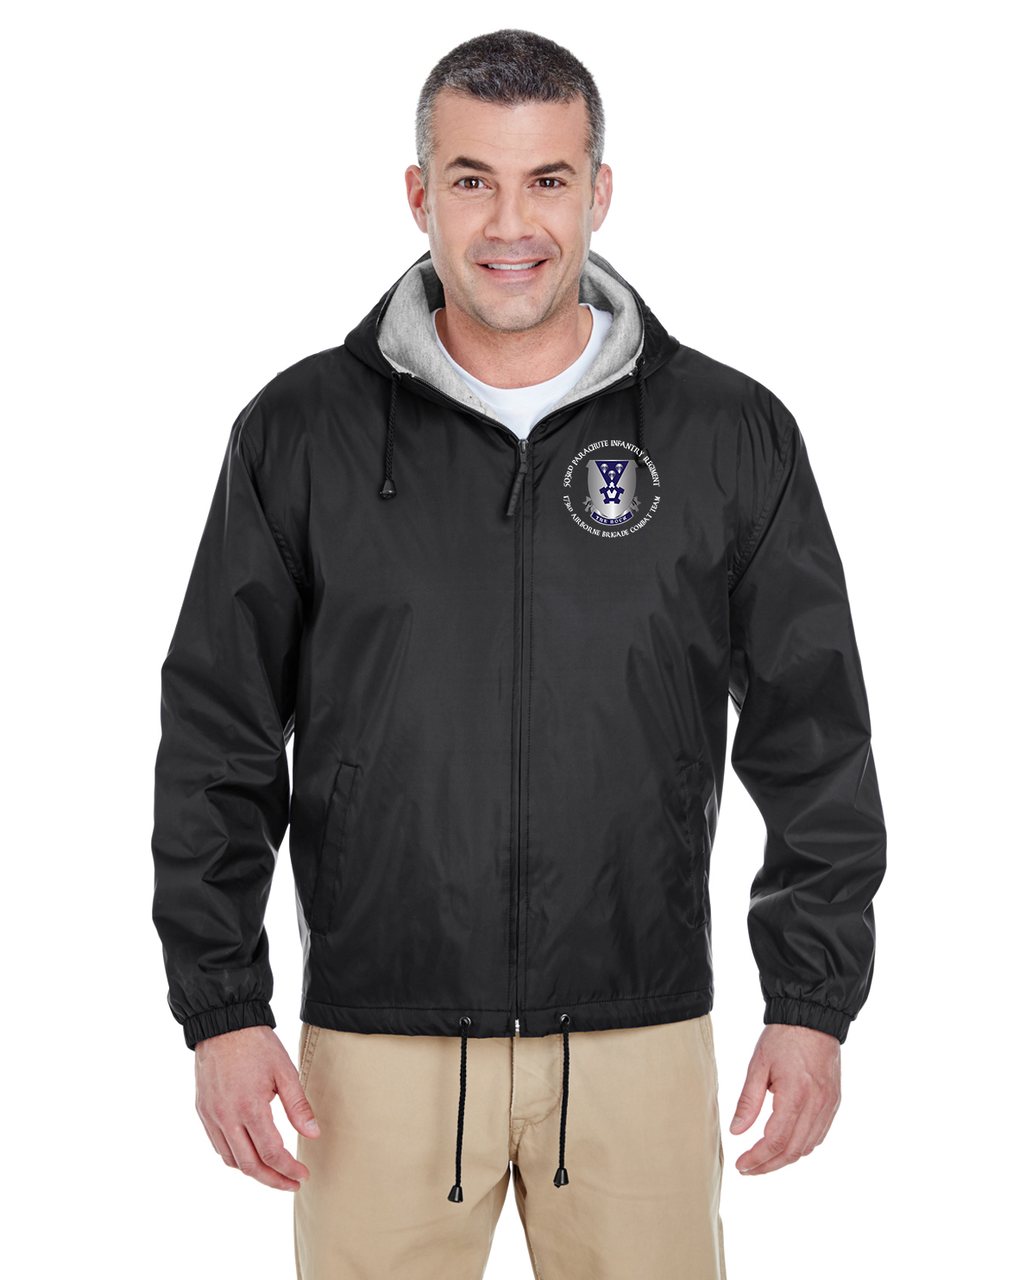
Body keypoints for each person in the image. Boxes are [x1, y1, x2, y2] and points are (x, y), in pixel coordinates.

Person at [151, 28, 887, 1280]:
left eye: (547, 179)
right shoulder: (301, 431)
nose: (510, 223)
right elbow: (218, 733)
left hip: (637, 1036)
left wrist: (812, 1000)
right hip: (377, 1046)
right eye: (472, 178)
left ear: (600, 191)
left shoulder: (729, 433)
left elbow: (815, 735)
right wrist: (221, 1006)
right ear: (418, 192)